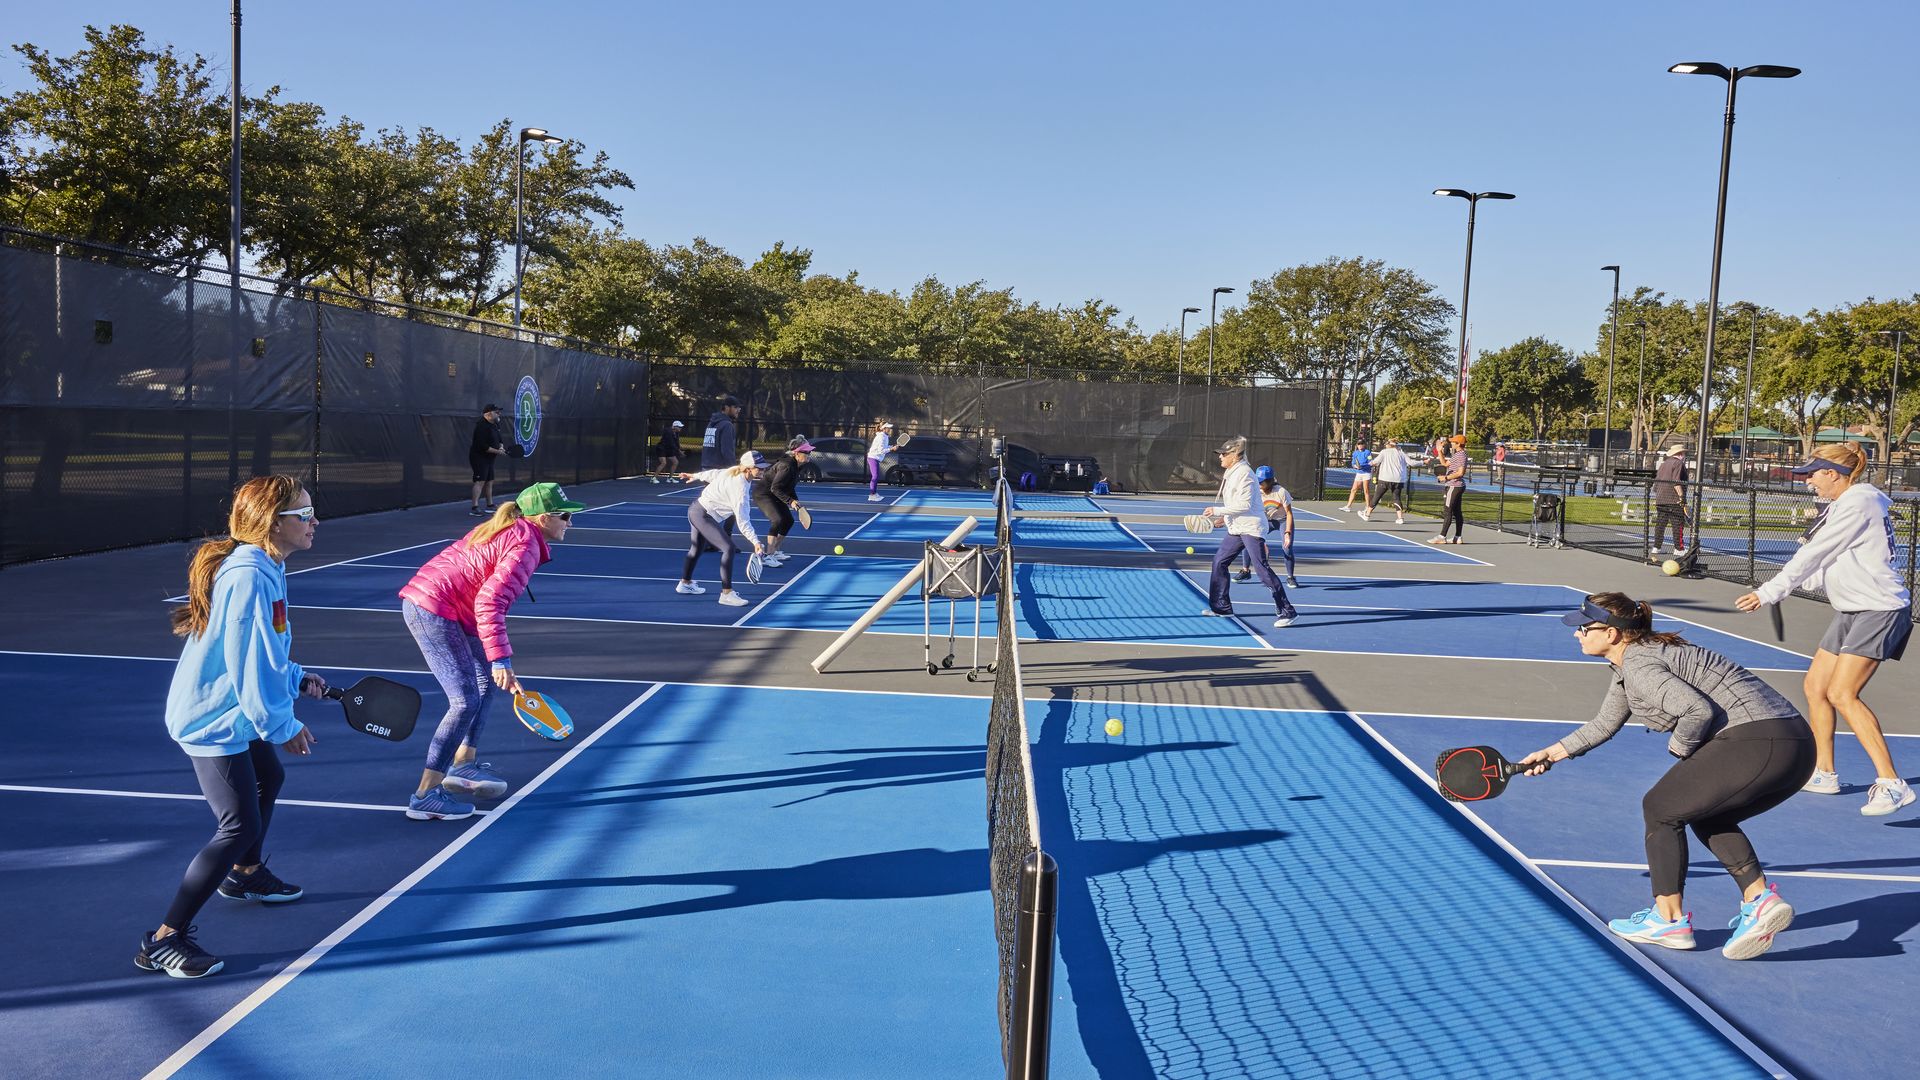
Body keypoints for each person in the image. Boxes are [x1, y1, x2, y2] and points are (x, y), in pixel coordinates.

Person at [1520, 592, 1813, 960]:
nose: (1576, 633)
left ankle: (1668, 920)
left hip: (1757, 739)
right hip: (1795, 746)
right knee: (1705, 813)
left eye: (1584, 628)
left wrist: (1681, 751)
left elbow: (1696, 710)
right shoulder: (1633, 663)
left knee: (1660, 807)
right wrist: (1552, 753)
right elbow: (1605, 723)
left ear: (1611, 633)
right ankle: (1759, 901)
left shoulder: (1639, 665)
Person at [140, 476, 326, 979]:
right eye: (304, 515)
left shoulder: (267, 567)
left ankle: (245, 873)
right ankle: (164, 939)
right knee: (238, 824)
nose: (314, 522)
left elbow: (266, 650)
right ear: (273, 523)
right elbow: (249, 666)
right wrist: (282, 724)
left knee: (270, 778)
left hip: (232, 711)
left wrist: (296, 676)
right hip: (211, 720)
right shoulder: (249, 577)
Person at [1735, 444, 1913, 816]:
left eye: (1812, 474)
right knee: (1815, 687)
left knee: (1842, 693)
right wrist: (1805, 581)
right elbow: (1826, 559)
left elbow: (1815, 553)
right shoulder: (1844, 505)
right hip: (1852, 608)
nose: (1809, 482)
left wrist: (1770, 591)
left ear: (1832, 473)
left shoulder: (1858, 503)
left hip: (1879, 609)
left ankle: (1892, 784)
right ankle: (1824, 772)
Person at [397, 481, 583, 820]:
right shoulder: (525, 544)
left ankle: (463, 765)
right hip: (433, 609)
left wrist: (496, 662)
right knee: (465, 700)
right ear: (543, 518)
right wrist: (500, 659)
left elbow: (476, 593)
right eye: (565, 516)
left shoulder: (515, 531)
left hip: (447, 609)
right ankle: (425, 796)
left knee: (485, 683)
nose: (570, 522)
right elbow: (490, 601)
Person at [1200, 436, 1297, 628]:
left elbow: (1244, 505)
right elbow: (1236, 503)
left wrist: (1217, 511)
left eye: (1223, 454)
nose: (1220, 457)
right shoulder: (1232, 472)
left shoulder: (1244, 474)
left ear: (1234, 456)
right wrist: (1224, 518)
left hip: (1251, 528)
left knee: (1261, 569)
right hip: (1238, 527)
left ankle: (1287, 611)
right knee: (1219, 562)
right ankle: (1221, 607)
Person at [676, 451, 769, 606]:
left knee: (697, 549)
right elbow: (743, 521)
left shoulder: (734, 471)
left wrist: (696, 475)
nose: (763, 470)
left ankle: (685, 583)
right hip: (703, 515)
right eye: (759, 467)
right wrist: (756, 542)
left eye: (763, 467)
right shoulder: (740, 489)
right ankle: (726, 594)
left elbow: (714, 473)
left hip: (696, 510)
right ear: (748, 468)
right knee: (728, 548)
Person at [1235, 465, 1299, 588]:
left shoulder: (1281, 492)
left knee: (1287, 547)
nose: (1258, 483)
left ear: (1269, 481)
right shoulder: (1255, 491)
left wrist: (1288, 533)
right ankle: (1245, 571)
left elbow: (1289, 514)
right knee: (1247, 539)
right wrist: (1260, 539)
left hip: (1282, 520)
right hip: (1265, 521)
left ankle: (1291, 577)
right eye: (1257, 480)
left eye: (1261, 481)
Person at [753, 436, 812, 565]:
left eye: (810, 451)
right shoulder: (786, 466)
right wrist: (790, 501)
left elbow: (788, 486)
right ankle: (767, 556)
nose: (809, 454)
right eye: (806, 452)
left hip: (775, 494)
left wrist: (795, 500)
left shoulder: (797, 466)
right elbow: (775, 488)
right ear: (797, 453)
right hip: (763, 494)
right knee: (777, 520)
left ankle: (774, 551)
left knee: (788, 521)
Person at [1651, 443, 1690, 558]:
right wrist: (1682, 497)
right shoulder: (1678, 464)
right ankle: (1679, 548)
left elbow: (1656, 483)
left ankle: (1657, 547)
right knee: (1677, 524)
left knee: (1660, 524)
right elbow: (1676, 482)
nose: (1684, 455)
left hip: (1661, 498)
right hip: (1674, 499)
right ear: (1680, 454)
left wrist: (1657, 497)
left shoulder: (1663, 464)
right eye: (1684, 453)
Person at [1428, 434, 1468, 544]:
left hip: (1454, 486)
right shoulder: (1457, 454)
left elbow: (1460, 473)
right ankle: (1457, 537)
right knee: (1457, 511)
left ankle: (1442, 536)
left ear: (1458, 444)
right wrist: (1439, 451)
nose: (1451, 443)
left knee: (1447, 510)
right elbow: (1445, 463)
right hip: (1454, 485)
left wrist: (1445, 478)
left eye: (1453, 442)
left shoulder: (1461, 455)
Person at [469, 404, 507, 516]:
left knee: (490, 480)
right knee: (480, 481)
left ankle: (489, 505)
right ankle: (474, 507)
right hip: (479, 457)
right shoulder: (481, 426)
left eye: (499, 412)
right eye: (497, 412)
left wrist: (501, 447)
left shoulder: (495, 424)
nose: (499, 414)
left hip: (490, 458)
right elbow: (482, 446)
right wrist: (498, 452)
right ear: (488, 414)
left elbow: (500, 439)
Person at [1364, 440, 1410, 524]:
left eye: (1387, 444)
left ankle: (1367, 515)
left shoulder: (1384, 452)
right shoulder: (1402, 453)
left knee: (1377, 497)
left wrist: (1365, 465)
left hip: (1385, 479)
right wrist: (1423, 462)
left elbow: (1375, 462)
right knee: (1397, 498)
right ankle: (1400, 518)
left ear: (1389, 445)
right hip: (1398, 480)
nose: (1385, 445)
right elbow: (1412, 463)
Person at [865, 420, 907, 502]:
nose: (889, 429)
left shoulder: (884, 436)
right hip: (873, 457)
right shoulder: (881, 437)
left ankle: (873, 493)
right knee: (875, 476)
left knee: (875, 476)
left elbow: (885, 447)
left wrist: (892, 447)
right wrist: (891, 449)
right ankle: (872, 495)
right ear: (884, 428)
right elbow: (881, 450)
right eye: (888, 428)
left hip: (875, 458)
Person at [700, 395, 742, 469]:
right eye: (735, 407)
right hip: (719, 470)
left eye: (739, 408)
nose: (738, 410)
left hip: (706, 466)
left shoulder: (711, 423)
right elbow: (727, 451)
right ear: (726, 407)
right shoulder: (727, 425)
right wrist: (734, 468)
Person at [1341, 441, 1373, 512]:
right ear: (1357, 445)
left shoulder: (1367, 452)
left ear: (1364, 445)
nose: (1360, 445)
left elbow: (1370, 462)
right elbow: (1353, 463)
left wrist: (1362, 466)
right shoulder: (1355, 453)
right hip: (1359, 473)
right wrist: (1356, 466)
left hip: (1366, 473)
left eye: (1361, 444)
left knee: (1366, 490)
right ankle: (1348, 506)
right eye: (1359, 444)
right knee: (1353, 489)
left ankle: (1367, 507)